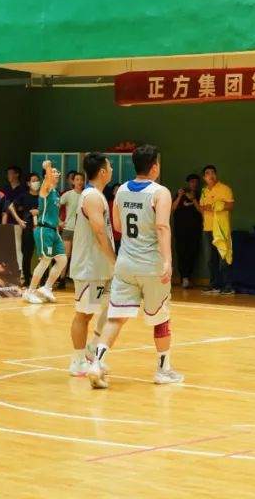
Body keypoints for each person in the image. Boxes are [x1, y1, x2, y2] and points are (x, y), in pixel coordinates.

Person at [88, 144, 183, 389]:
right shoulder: (160, 192)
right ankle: (163, 370)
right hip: (151, 265)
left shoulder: (120, 190)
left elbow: (118, 226)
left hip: (125, 263)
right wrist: (168, 261)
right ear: (155, 167)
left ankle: (97, 362)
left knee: (116, 317)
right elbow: (162, 227)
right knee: (161, 318)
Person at [68, 153, 117, 377]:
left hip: (101, 266)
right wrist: (115, 261)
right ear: (103, 171)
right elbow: (99, 233)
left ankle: (92, 349)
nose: (112, 170)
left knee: (115, 307)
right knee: (85, 314)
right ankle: (78, 360)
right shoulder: (91, 197)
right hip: (90, 267)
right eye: (110, 167)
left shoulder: (98, 195)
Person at [23, 161, 67, 304]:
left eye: (57, 171)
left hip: (53, 230)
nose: (56, 173)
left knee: (62, 260)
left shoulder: (56, 193)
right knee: (45, 260)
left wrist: (59, 225)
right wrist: (48, 166)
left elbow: (53, 213)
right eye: (53, 171)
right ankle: (30, 292)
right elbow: (48, 177)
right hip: (44, 229)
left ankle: (47, 288)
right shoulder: (45, 187)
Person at [200, 164, 235, 295]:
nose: (211, 175)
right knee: (210, 259)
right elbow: (202, 207)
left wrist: (218, 206)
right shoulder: (204, 190)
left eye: (213, 172)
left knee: (223, 256)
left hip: (221, 228)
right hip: (207, 228)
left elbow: (231, 206)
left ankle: (228, 285)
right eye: (208, 173)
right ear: (204, 177)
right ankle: (214, 285)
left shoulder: (225, 189)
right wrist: (206, 208)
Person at [8, 172, 42, 288]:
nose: (36, 182)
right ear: (28, 183)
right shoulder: (24, 196)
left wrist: (39, 212)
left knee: (43, 255)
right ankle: (27, 279)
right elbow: (11, 207)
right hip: (28, 227)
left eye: (37, 180)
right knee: (27, 253)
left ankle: (43, 281)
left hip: (42, 227)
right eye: (33, 180)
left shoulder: (43, 196)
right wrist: (19, 221)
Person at [172, 173, 203, 289]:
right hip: (181, 230)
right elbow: (173, 208)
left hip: (195, 230)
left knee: (193, 253)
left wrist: (193, 199)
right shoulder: (180, 194)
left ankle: (188, 278)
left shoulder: (200, 195)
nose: (194, 184)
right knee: (182, 253)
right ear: (188, 183)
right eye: (192, 181)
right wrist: (180, 196)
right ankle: (184, 278)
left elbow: (201, 211)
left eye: (196, 182)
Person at [58, 171, 85, 284]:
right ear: (73, 181)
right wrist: (59, 221)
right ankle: (61, 279)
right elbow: (56, 207)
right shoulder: (68, 194)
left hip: (82, 230)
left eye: (81, 180)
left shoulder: (86, 195)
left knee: (79, 257)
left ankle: (77, 280)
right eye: (77, 179)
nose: (79, 182)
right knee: (66, 256)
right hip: (68, 228)